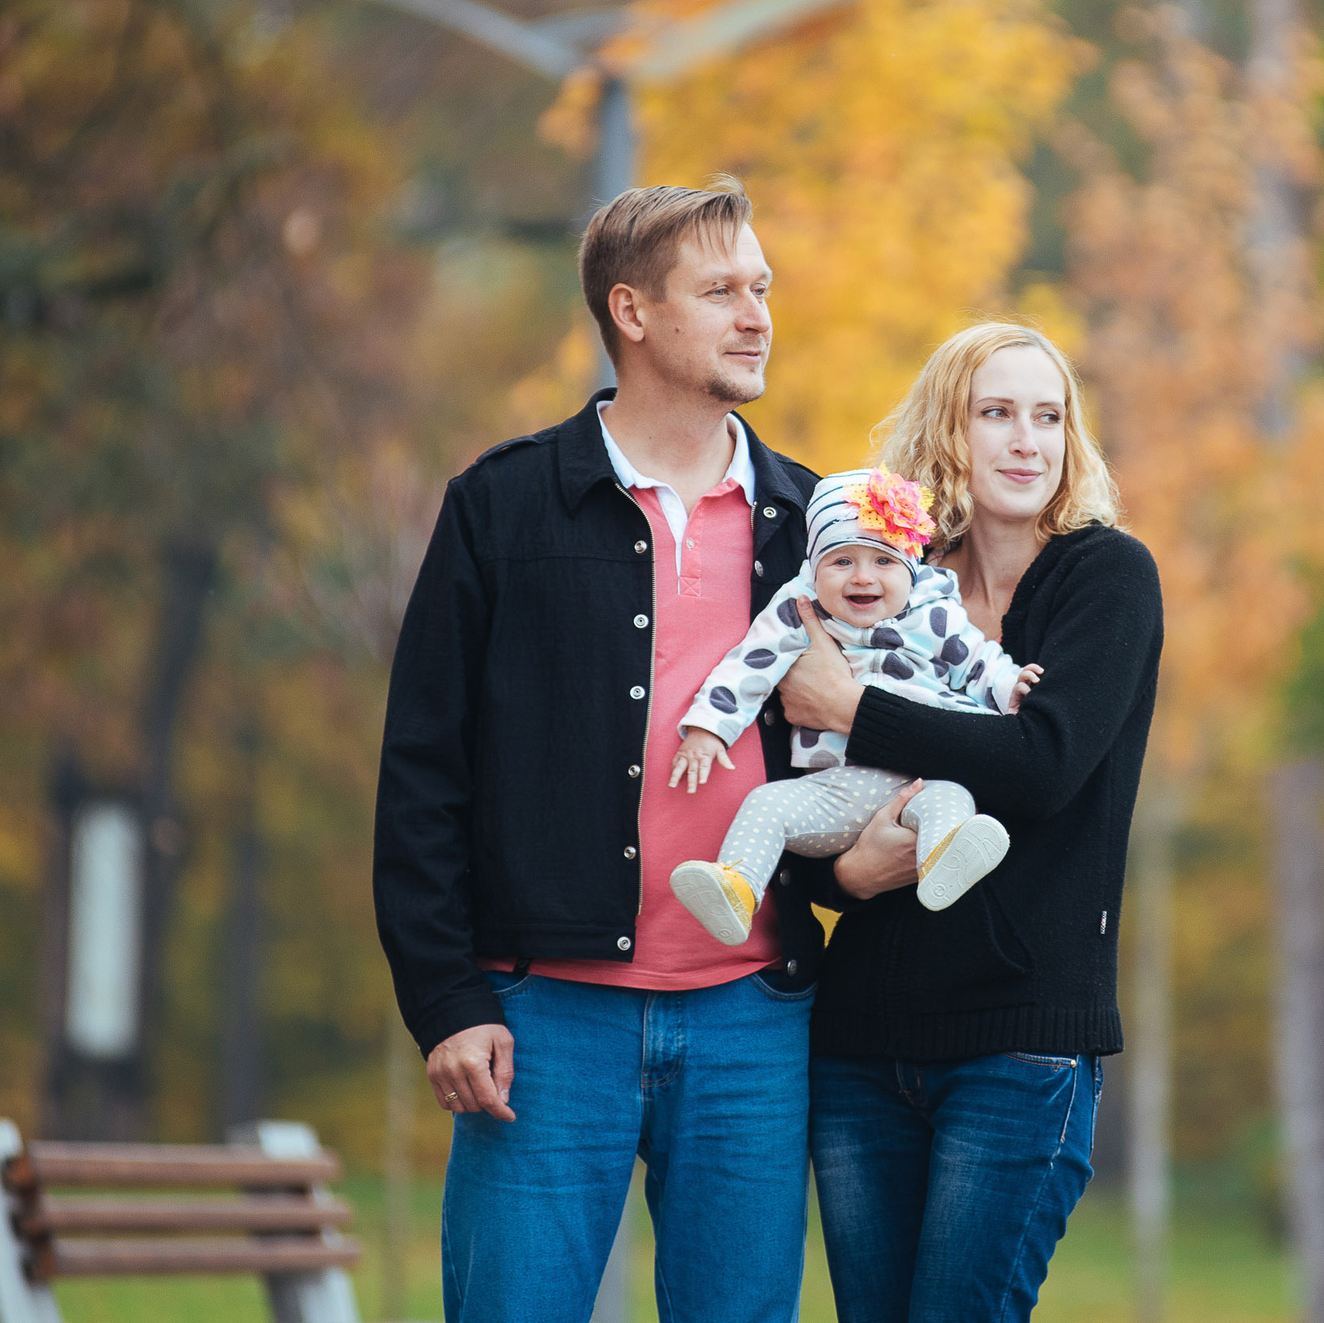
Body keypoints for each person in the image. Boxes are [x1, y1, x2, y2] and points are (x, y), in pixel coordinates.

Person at [372, 179, 834, 1323]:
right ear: (631, 310)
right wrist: (446, 998)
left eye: (762, 287)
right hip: (541, 1022)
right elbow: (422, 772)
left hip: (752, 1019)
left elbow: (849, 753)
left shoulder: (817, 524)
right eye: (721, 290)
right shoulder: (502, 505)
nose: (757, 315)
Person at [776, 321, 1164, 1323]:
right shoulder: (882, 579)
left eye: (1048, 416)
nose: (1026, 440)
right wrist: (840, 878)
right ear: (946, 429)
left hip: (1019, 1047)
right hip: (860, 1047)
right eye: (996, 412)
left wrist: (854, 704)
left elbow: (1044, 764)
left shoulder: (1105, 577)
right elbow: (811, 790)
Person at [664, 466, 1039, 946]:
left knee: (951, 800)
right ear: (814, 568)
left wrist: (1009, 686)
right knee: (765, 804)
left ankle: (944, 858)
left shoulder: (932, 612)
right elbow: (749, 665)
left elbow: (977, 662)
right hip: (837, 791)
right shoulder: (799, 610)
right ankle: (737, 887)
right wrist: (709, 728)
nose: (863, 577)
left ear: (910, 569)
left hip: (925, 776)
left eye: (883, 561)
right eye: (841, 561)